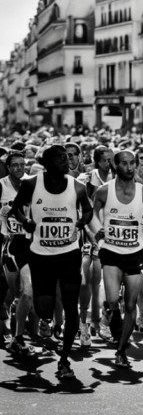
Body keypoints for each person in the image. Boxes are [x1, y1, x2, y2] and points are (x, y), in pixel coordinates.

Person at [9, 145, 93, 379]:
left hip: (69, 254)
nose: (66, 162)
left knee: (71, 306)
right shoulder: (31, 184)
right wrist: (25, 221)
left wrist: (81, 223)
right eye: (60, 159)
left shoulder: (77, 186)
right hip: (41, 256)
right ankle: (47, 317)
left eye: (67, 158)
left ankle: (64, 360)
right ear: (47, 163)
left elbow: (88, 210)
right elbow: (15, 210)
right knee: (44, 309)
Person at [91, 150, 143, 367]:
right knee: (113, 303)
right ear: (115, 166)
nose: (130, 168)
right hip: (111, 253)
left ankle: (121, 350)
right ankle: (111, 316)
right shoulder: (103, 191)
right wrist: (98, 233)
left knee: (130, 305)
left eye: (133, 163)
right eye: (125, 164)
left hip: (135, 253)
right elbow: (92, 215)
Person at [1, 151, 35, 355]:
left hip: (30, 245)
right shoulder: (2, 185)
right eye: (15, 165)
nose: (20, 168)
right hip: (9, 245)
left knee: (28, 291)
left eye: (22, 164)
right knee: (15, 295)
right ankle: (11, 324)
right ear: (8, 167)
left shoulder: (31, 186)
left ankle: (18, 337)